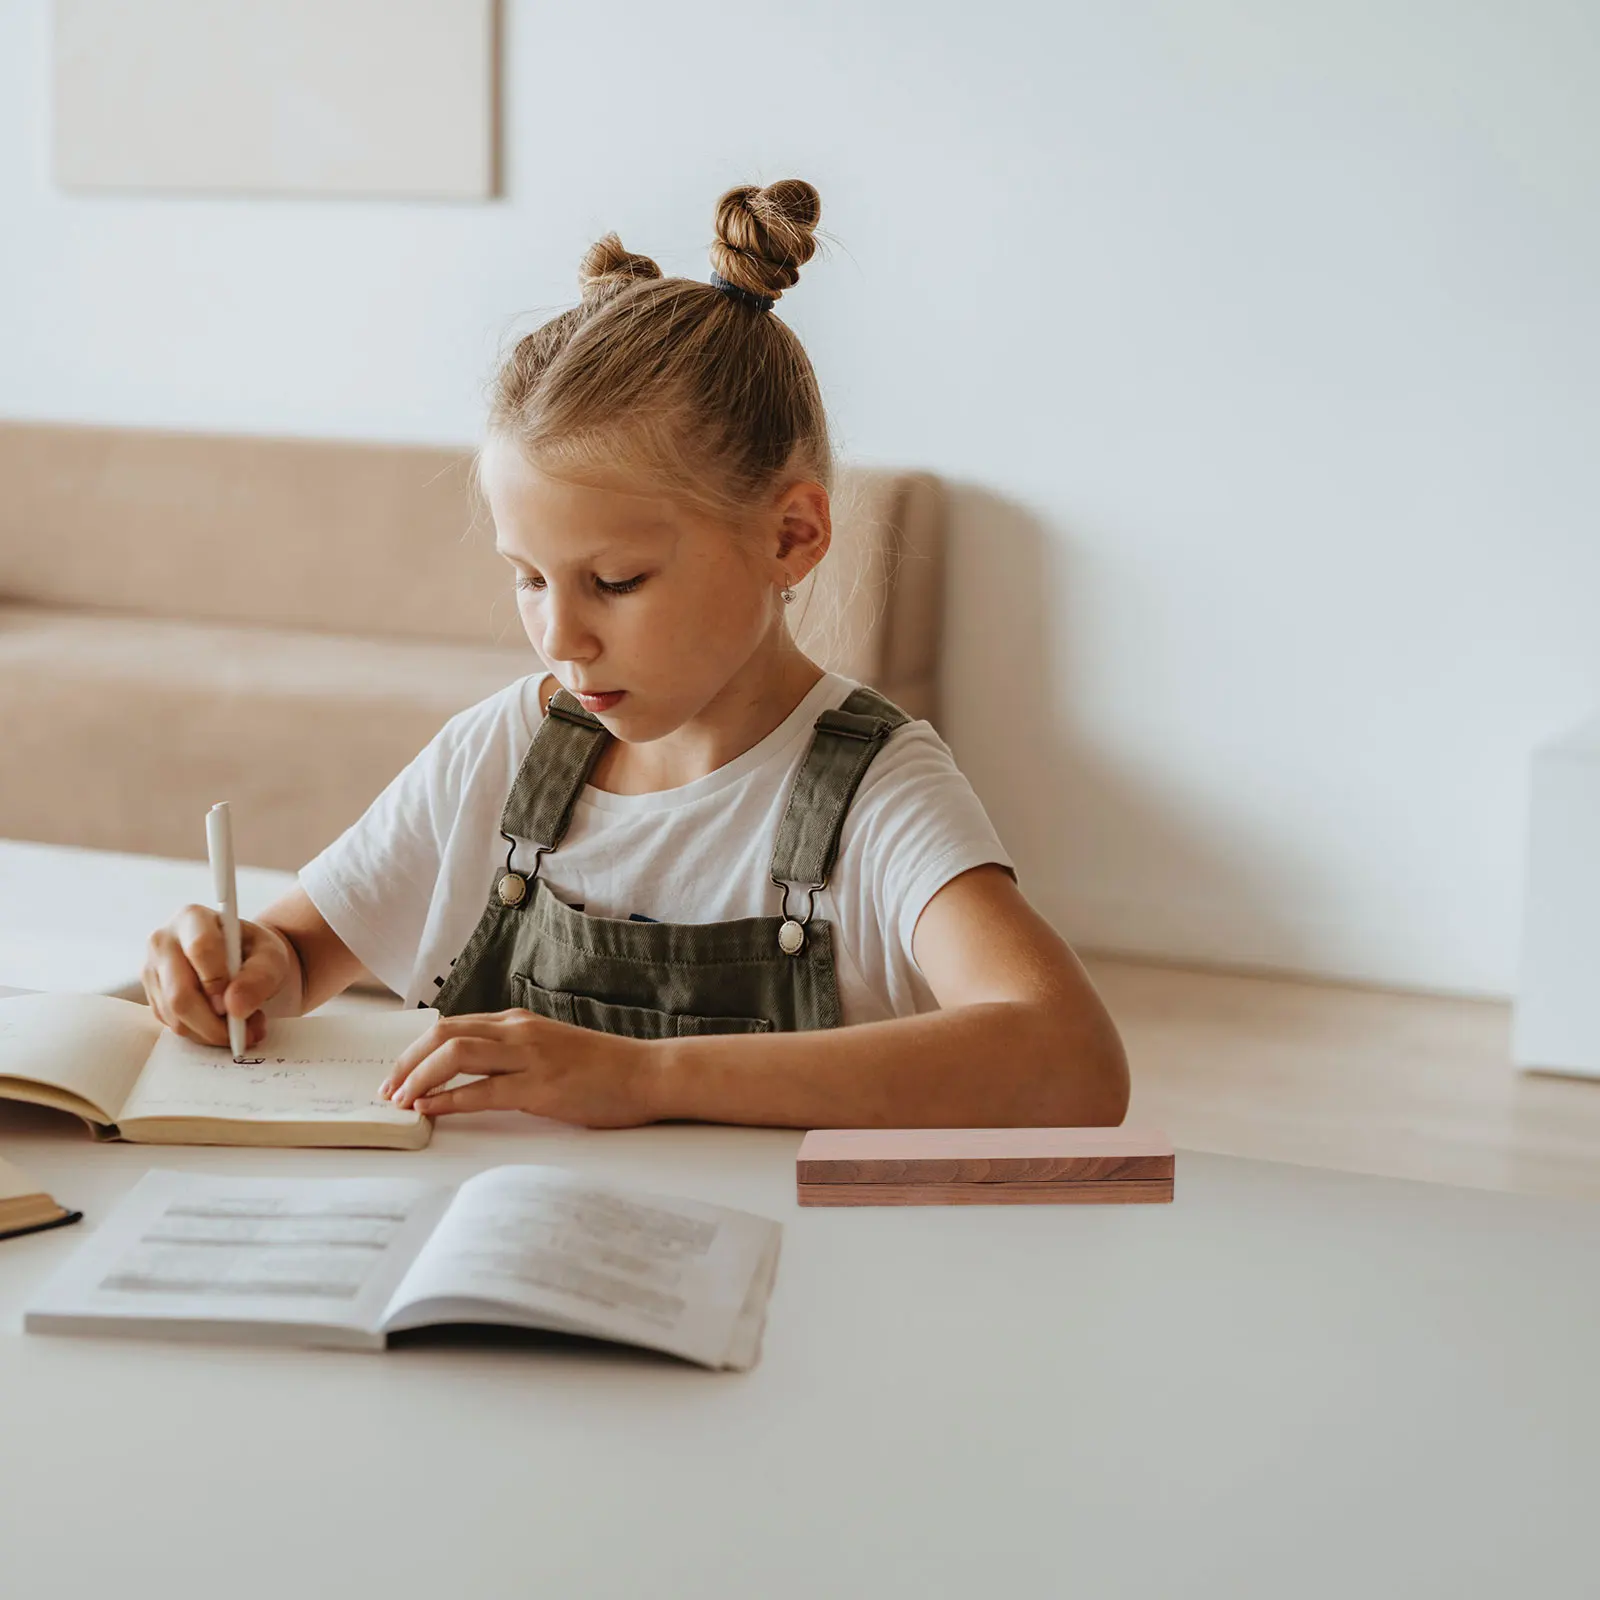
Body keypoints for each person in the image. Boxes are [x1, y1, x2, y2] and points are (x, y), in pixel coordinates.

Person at [142, 179, 1128, 1131]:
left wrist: (646, 1074)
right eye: (530, 578)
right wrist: (245, 962)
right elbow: (300, 951)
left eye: (615, 581)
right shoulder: (505, 751)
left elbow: (1071, 1061)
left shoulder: (878, 795)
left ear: (791, 536)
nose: (559, 639)